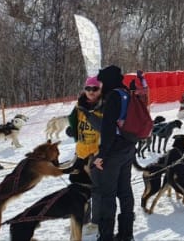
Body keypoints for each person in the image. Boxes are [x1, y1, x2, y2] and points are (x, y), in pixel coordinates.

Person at [91, 65, 136, 241]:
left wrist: (101, 155)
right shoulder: (126, 93)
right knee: (125, 191)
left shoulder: (113, 96)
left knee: (107, 194)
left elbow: (108, 128)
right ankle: (126, 234)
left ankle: (106, 236)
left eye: (102, 81)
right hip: (128, 147)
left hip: (114, 151)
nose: (101, 85)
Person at [66, 75, 103, 231]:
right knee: (78, 188)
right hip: (81, 152)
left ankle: (96, 221)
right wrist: (72, 131)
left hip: (95, 154)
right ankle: (82, 219)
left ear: (100, 89)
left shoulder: (104, 105)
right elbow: (75, 122)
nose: (91, 92)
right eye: (88, 88)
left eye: (94, 88)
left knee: (96, 189)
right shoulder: (79, 105)